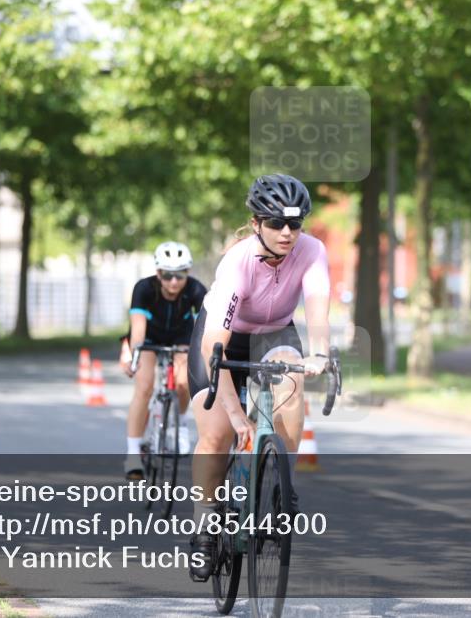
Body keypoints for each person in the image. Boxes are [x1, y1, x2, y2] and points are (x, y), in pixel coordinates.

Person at [185, 173, 330, 582]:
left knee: (293, 386)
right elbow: (214, 346)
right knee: (216, 435)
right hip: (222, 341)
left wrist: (320, 352)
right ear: (256, 224)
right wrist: (236, 416)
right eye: (276, 223)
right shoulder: (238, 262)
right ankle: (205, 529)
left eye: (295, 224)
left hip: (275, 333)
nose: (287, 233)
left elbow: (317, 305)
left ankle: (281, 485)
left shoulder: (313, 251)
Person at [119, 241, 207, 481]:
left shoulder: (196, 290)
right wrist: (131, 353)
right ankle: (133, 454)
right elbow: (138, 329)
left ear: (188, 272)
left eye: (180, 275)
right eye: (168, 275)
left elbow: (203, 329)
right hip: (149, 337)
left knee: (183, 382)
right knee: (144, 387)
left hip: (181, 337)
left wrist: (201, 356)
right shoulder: (144, 288)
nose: (174, 281)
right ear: (158, 273)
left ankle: (179, 423)